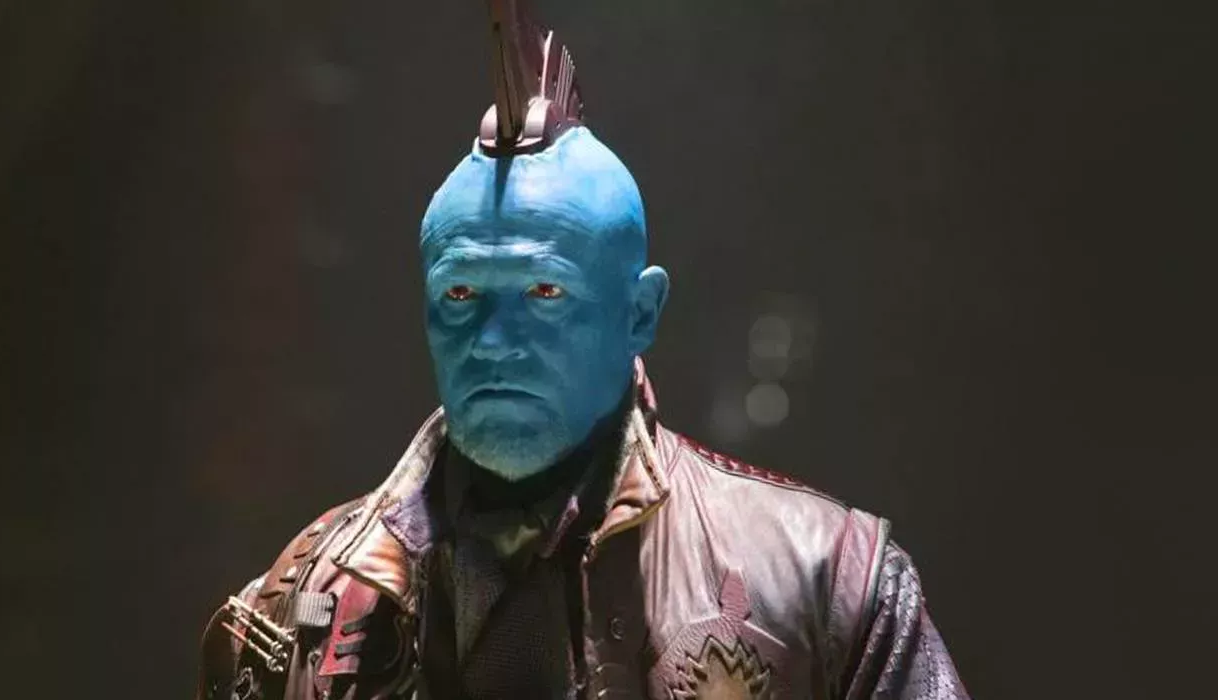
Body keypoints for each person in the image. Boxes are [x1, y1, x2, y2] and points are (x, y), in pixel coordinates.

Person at [197, 2, 967, 698]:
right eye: (460, 294)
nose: (493, 340)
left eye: (544, 292)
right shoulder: (298, 608)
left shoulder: (822, 581)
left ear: (640, 313)